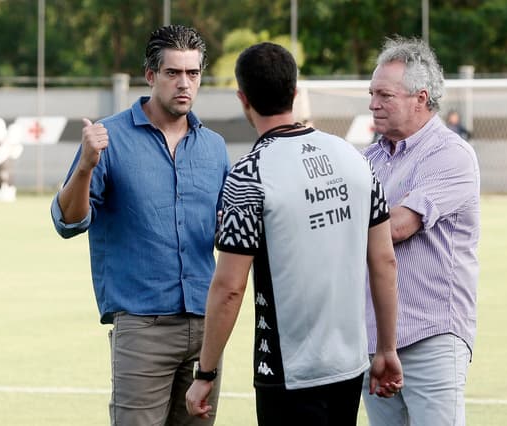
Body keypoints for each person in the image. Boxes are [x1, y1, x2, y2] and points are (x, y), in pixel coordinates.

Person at [185, 42, 403, 426]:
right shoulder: (353, 158)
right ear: (295, 90)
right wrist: (386, 347)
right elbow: (384, 259)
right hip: (349, 365)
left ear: (243, 99)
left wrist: (205, 373)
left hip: (289, 373)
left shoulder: (248, 175)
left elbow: (229, 287)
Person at [50, 24, 230, 426]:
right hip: (142, 327)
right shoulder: (108, 138)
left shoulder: (214, 147)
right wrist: (84, 167)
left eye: (193, 73)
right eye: (173, 73)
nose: (184, 83)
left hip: (207, 326)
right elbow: (68, 222)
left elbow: (223, 230)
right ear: (150, 76)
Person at [362, 36, 481, 426]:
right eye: (371, 93)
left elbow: (397, 226)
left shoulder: (451, 154)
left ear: (420, 97)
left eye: (385, 95)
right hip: (375, 341)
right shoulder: (368, 159)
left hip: (431, 336)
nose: (373, 103)